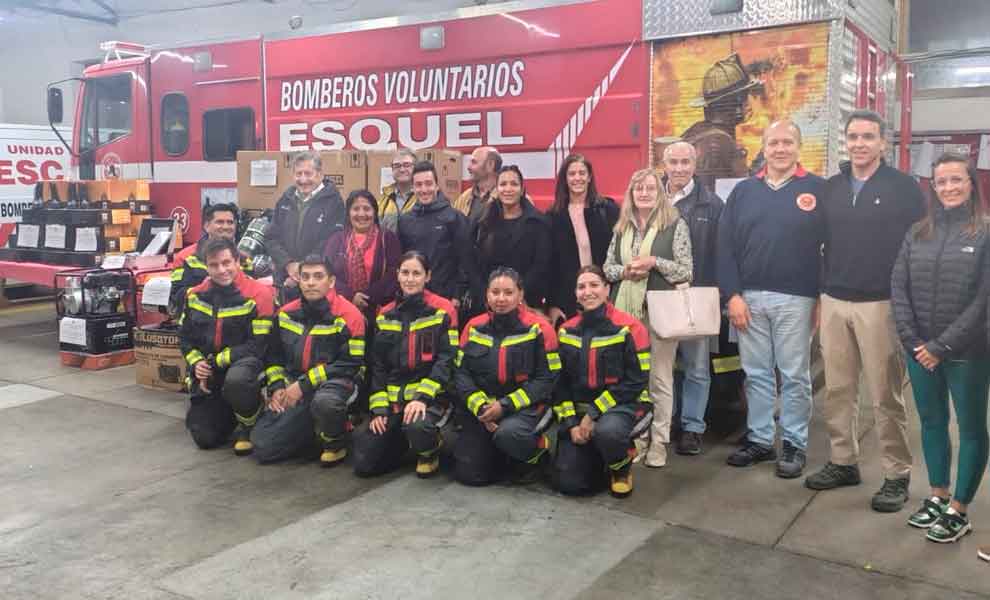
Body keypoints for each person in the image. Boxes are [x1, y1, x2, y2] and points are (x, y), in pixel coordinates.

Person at [806, 109, 925, 512]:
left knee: (884, 393)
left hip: (881, 304)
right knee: (838, 389)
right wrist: (820, 296)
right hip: (836, 300)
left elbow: (920, 245)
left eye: (868, 137)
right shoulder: (832, 188)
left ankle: (896, 474)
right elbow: (817, 242)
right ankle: (844, 461)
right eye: (853, 136)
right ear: (846, 141)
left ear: (882, 142)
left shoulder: (904, 188)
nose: (859, 144)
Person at [717, 119, 825, 478]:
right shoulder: (744, 192)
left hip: (798, 299)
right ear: (763, 147)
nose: (780, 149)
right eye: (773, 143)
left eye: (787, 142)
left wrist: (822, 298)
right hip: (749, 300)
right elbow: (725, 246)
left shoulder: (817, 189)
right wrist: (732, 295)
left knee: (794, 375)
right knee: (757, 373)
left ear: (798, 147)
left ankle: (793, 443)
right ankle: (761, 440)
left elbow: (832, 248)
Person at [891, 152, 990, 544]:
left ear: (971, 185)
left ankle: (960, 508)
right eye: (942, 181)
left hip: (967, 351)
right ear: (933, 187)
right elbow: (899, 285)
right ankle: (938, 495)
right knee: (932, 424)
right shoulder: (918, 232)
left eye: (956, 180)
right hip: (920, 352)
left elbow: (984, 302)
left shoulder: (984, 233)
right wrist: (913, 340)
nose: (949, 187)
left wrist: (942, 345)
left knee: (969, 429)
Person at [604, 168, 692, 468]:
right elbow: (608, 269)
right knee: (633, 381)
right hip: (627, 316)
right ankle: (639, 438)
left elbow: (685, 270)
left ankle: (659, 442)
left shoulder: (675, 224)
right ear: (631, 193)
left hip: (661, 313)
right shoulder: (621, 228)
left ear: (660, 193)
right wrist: (626, 271)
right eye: (638, 188)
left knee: (660, 380)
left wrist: (654, 262)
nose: (644, 193)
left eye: (650, 188)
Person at [351, 251, 459, 478]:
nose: (410, 279)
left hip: (431, 397)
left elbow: (447, 360)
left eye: (416, 273)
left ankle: (430, 450)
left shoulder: (444, 310)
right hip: (394, 402)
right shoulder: (385, 314)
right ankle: (400, 439)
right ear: (397, 275)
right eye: (405, 273)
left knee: (419, 427)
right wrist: (380, 410)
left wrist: (421, 397)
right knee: (364, 462)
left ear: (427, 276)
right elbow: (378, 365)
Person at [253, 255, 367, 466]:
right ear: (299, 280)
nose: (311, 282)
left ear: (331, 281)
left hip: (335, 384)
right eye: (305, 277)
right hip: (295, 383)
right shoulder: (286, 313)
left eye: (318, 276)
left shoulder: (350, 316)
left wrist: (303, 385)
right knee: (264, 447)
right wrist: (277, 387)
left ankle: (336, 441)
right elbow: (274, 356)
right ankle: (311, 428)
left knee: (325, 403)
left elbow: (350, 364)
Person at [453, 267, 561, 485]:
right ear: (487, 294)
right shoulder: (473, 327)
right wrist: (481, 406)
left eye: (508, 292)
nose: (501, 298)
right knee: (471, 475)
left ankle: (536, 455)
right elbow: (460, 373)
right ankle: (501, 453)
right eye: (495, 292)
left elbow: (547, 380)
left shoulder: (540, 329)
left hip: (525, 408)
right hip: (482, 410)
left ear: (520, 295)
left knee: (508, 435)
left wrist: (504, 406)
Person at [552, 266, 651, 498]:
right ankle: (597, 458)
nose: (587, 292)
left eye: (594, 285)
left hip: (621, 405)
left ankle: (621, 467)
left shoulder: (630, 328)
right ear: (575, 293)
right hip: (580, 411)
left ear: (607, 289)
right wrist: (571, 424)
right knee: (570, 485)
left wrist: (593, 413)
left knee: (608, 432)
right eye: (581, 287)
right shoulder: (566, 330)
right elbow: (560, 383)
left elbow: (636, 382)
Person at [179, 238, 274, 455]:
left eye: (226, 263)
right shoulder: (194, 295)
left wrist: (217, 360)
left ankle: (249, 423)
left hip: (246, 366)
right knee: (205, 438)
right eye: (214, 265)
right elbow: (185, 337)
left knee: (237, 380)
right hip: (211, 370)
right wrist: (197, 363)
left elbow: (259, 346)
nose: (221, 270)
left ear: (237, 261)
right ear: (205, 266)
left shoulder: (259, 295)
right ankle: (229, 410)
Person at [661, 141, 724, 456]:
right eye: (673, 162)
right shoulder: (649, 197)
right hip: (658, 297)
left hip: (695, 297)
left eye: (685, 162)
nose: (679, 168)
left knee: (696, 366)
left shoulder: (712, 205)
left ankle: (691, 427)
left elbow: (720, 253)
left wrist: (716, 295)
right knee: (661, 366)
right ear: (664, 164)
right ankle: (666, 420)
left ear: (695, 165)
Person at [547, 154, 619, 325]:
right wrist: (552, 304)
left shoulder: (607, 209)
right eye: (572, 174)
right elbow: (550, 265)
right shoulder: (553, 216)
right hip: (569, 301)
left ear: (589, 177)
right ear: (565, 179)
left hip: (605, 296)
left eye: (582, 173)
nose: (577, 178)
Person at [266, 151, 347, 303]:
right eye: (298, 174)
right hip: (284, 280)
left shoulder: (334, 202)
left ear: (320, 174)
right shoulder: (285, 200)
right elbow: (271, 237)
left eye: (308, 174)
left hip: (316, 283)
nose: (303, 179)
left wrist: (301, 271)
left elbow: (331, 241)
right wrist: (288, 265)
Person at [472, 165, 552, 312]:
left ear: (522, 189)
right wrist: (489, 295)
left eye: (514, 184)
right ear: (496, 189)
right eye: (503, 184)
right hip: (489, 304)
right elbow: (473, 263)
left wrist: (516, 295)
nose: (508, 189)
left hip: (527, 303)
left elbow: (541, 265)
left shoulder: (538, 223)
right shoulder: (482, 221)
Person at [397, 161, 473, 309]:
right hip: (413, 297)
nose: (424, 189)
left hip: (446, 298)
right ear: (412, 188)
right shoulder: (405, 221)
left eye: (428, 183)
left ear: (437, 186)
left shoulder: (454, 218)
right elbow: (401, 259)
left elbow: (466, 260)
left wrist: (457, 295)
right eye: (418, 185)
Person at [323, 189, 401, 321]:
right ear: (348, 213)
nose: (361, 214)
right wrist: (351, 296)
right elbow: (326, 273)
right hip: (341, 311)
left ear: (375, 212)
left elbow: (395, 273)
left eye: (367, 209)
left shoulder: (388, 238)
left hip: (381, 312)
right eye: (356, 209)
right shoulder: (336, 239)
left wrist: (366, 297)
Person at [169, 203, 255, 316]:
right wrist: (207, 288)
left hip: (237, 323)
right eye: (219, 222)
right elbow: (177, 296)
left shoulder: (244, 260)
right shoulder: (185, 257)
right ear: (207, 226)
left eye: (230, 222)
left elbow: (253, 294)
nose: (226, 227)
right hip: (200, 323)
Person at [454, 146, 500, 223]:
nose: (468, 167)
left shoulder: (508, 197)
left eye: (474, 162)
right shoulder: (463, 198)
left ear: (490, 165)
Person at [378, 149, 417, 231]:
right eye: (397, 166)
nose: (402, 169)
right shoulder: (383, 201)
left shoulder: (424, 196)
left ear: (416, 168)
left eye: (407, 165)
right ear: (392, 170)